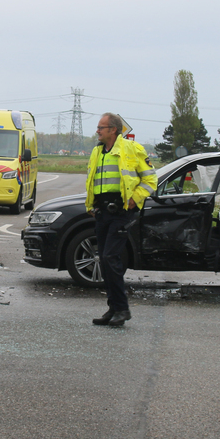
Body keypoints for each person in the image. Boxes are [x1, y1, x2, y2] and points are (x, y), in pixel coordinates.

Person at [85, 113, 157, 327]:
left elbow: (151, 178)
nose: (97, 130)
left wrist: (135, 199)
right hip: (102, 212)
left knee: (110, 258)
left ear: (113, 130)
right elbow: (92, 180)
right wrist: (90, 206)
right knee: (104, 260)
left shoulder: (132, 149)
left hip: (122, 211)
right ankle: (113, 307)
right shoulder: (97, 151)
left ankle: (122, 309)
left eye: (101, 127)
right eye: (98, 127)